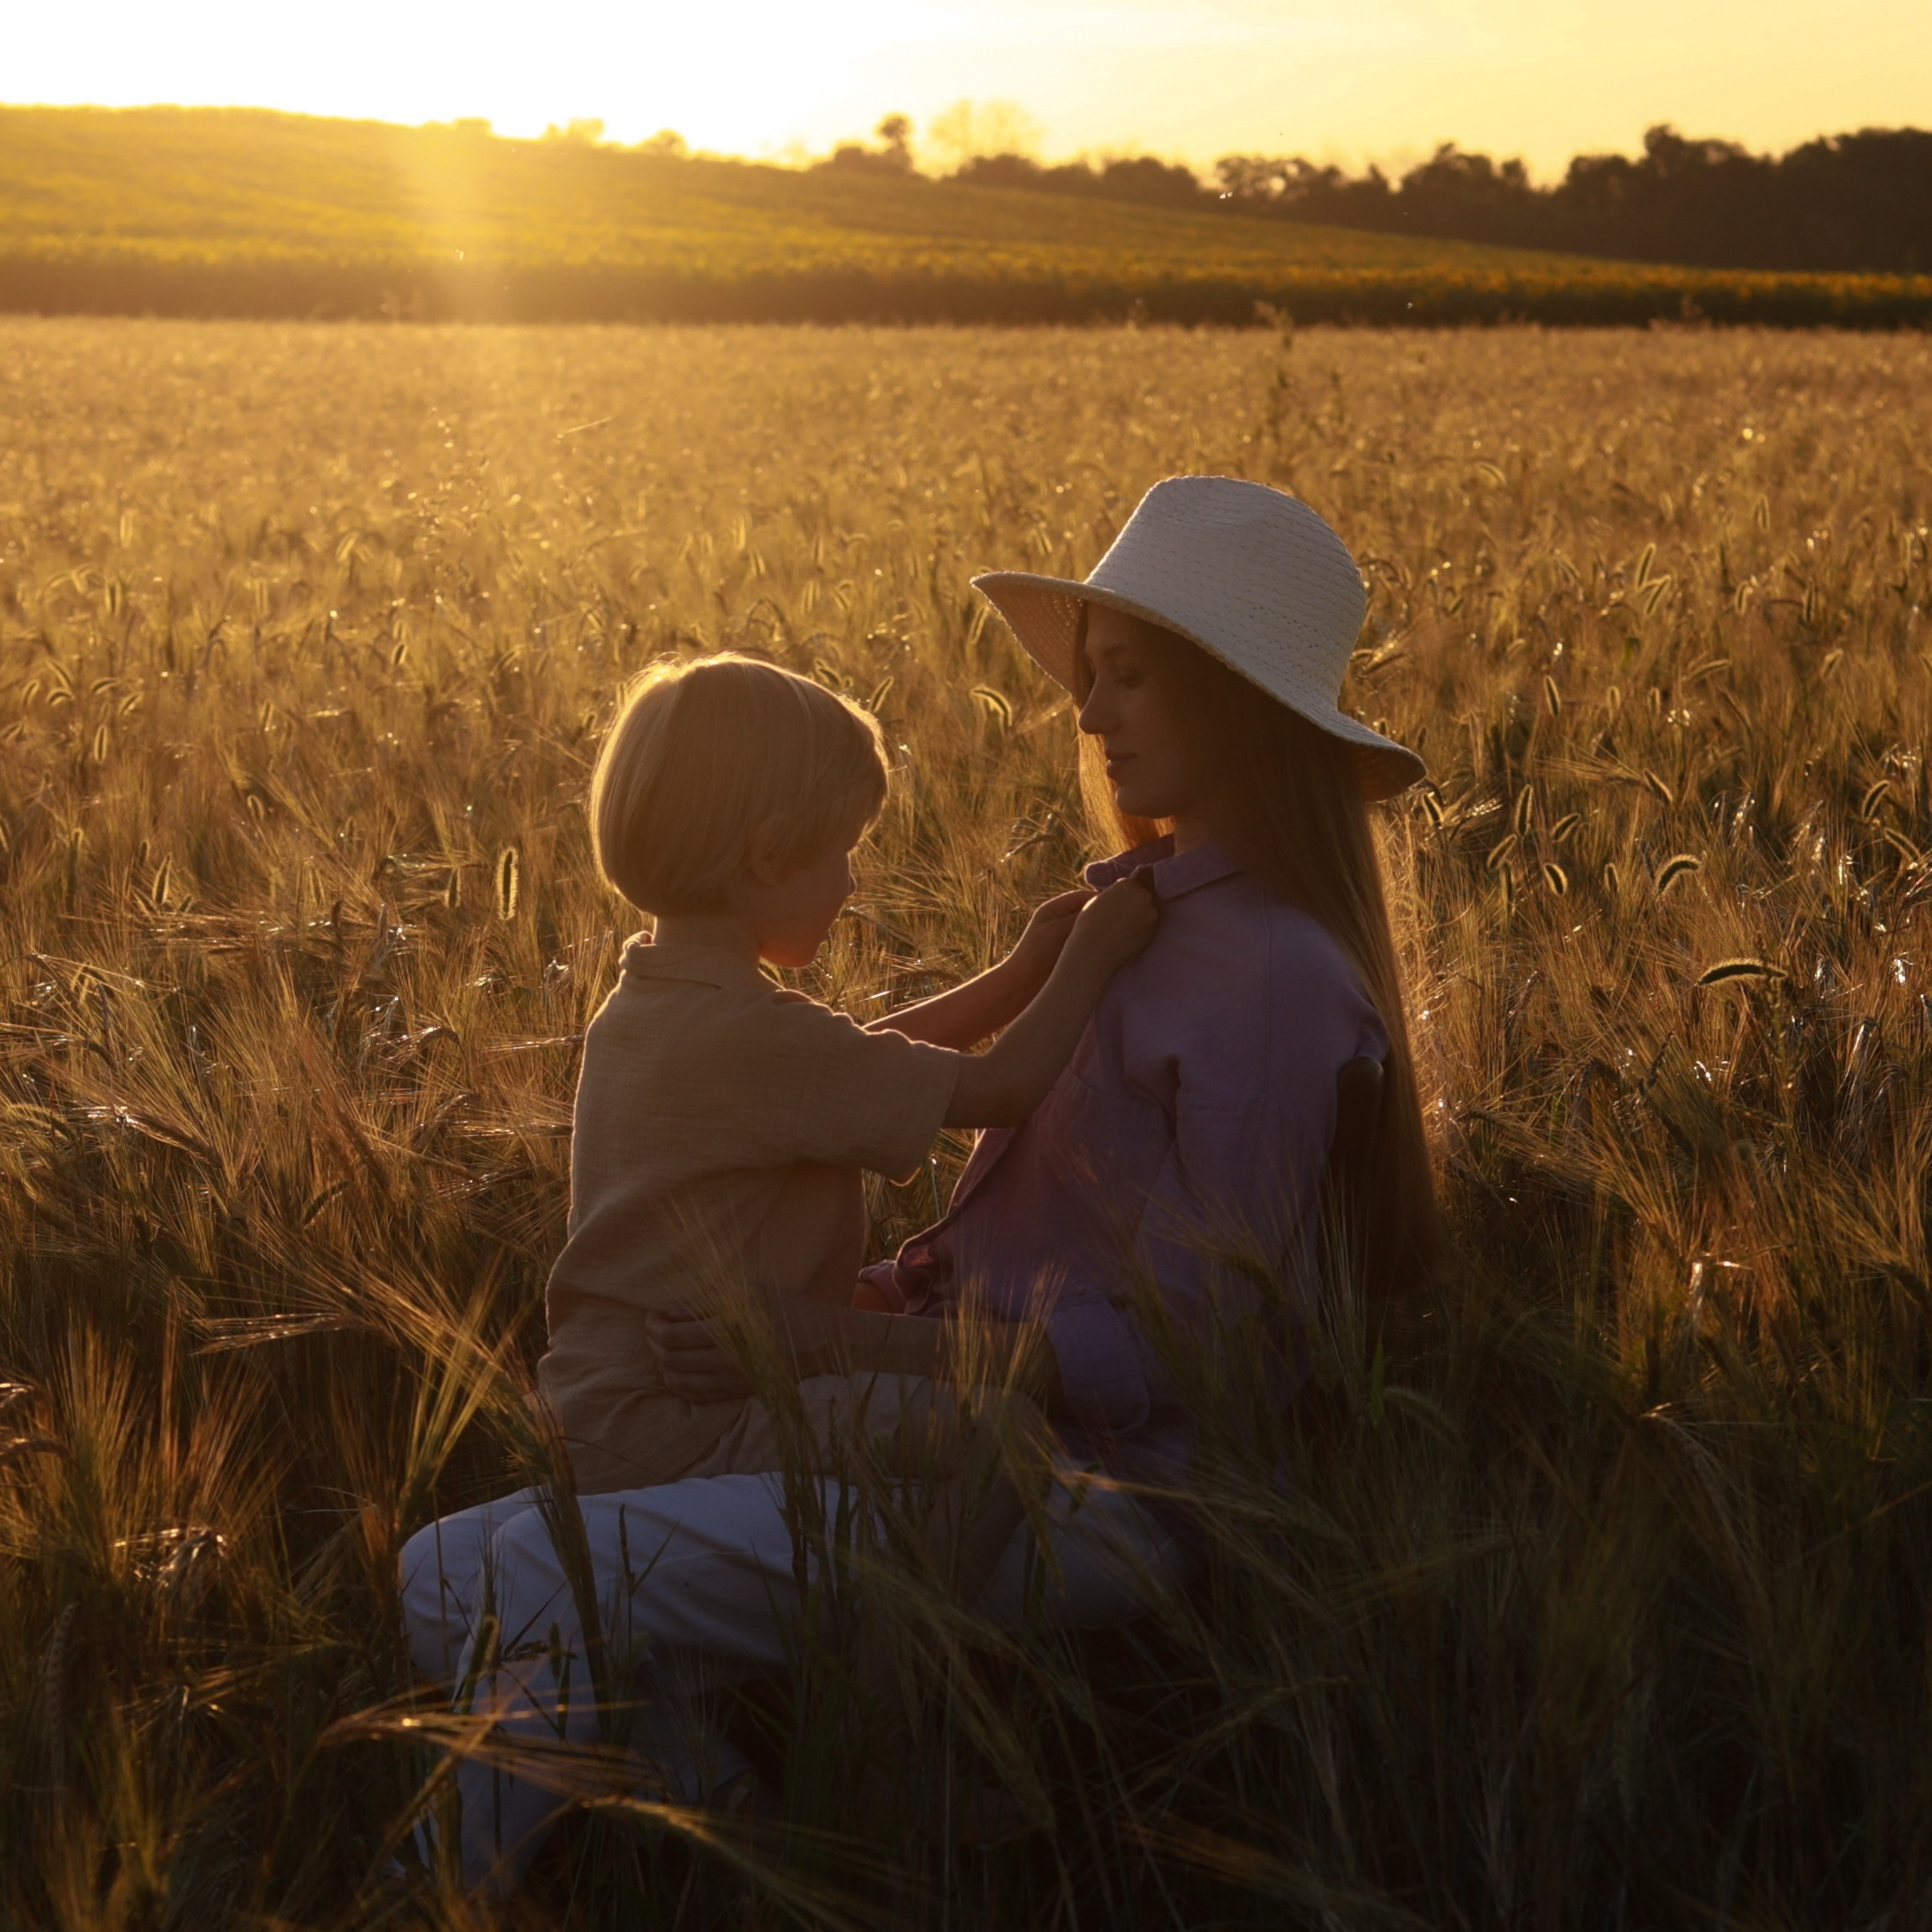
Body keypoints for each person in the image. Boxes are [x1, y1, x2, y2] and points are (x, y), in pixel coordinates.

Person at [399, 476, 1438, 1887]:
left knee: (527, 1587)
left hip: (1080, 1487)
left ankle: (457, 1892)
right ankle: (751, 1837)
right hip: (920, 1415)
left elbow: (1209, 1344)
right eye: (1091, 682)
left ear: (1236, 699)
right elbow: (943, 1141)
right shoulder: (1127, 925)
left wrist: (841, 1340)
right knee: (436, 1576)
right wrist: (868, 1303)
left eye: (1124, 678)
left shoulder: (1268, 979)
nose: (1085, 717)